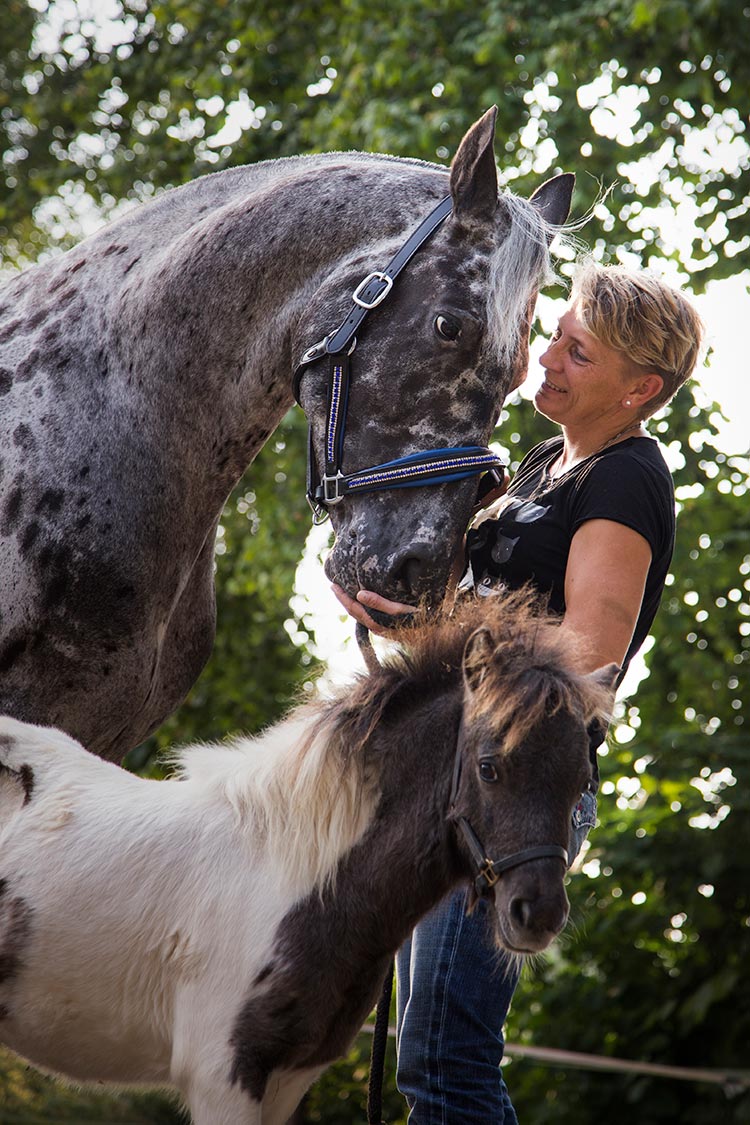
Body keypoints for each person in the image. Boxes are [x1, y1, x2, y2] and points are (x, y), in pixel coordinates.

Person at [333, 259, 705, 1124]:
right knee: (413, 1058)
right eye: (558, 337)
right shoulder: (544, 462)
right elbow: (476, 618)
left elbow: (582, 655)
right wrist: (400, 618)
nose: (547, 359)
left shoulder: (627, 478)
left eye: (578, 353)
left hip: (517, 794)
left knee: (444, 1058)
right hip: (449, 775)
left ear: (638, 388)